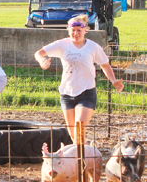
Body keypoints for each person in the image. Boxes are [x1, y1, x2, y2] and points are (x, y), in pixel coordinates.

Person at [34, 14, 124, 142]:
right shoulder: (62, 44)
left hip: (86, 93)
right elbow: (38, 53)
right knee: (72, 134)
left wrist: (114, 80)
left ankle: (81, 161)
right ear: (68, 31)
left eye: (79, 30)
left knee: (79, 128)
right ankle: (79, 158)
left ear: (85, 31)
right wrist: (42, 60)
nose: (76, 33)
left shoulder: (93, 47)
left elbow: (105, 64)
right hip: (66, 93)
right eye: (73, 30)